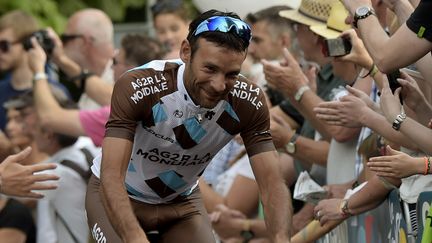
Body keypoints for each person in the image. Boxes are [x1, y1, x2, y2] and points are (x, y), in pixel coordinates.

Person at [86, 9, 292, 243]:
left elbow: (272, 183)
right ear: (186, 51)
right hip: (121, 194)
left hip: (180, 203)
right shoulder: (139, 85)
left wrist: (281, 239)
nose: (219, 84)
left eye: (232, 74)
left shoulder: (248, 101)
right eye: (210, 69)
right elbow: (111, 175)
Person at [33, 33, 164, 146]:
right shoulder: (163, 103)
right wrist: (60, 59)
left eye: (114, 62)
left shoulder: (117, 116)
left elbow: (49, 118)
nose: (111, 68)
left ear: (130, 70)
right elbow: (107, 95)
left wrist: (38, 70)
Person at [62, 8, 115, 109]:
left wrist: (61, 60)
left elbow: (121, 104)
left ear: (84, 43)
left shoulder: (127, 75)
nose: (61, 45)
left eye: (65, 39)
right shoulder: (93, 79)